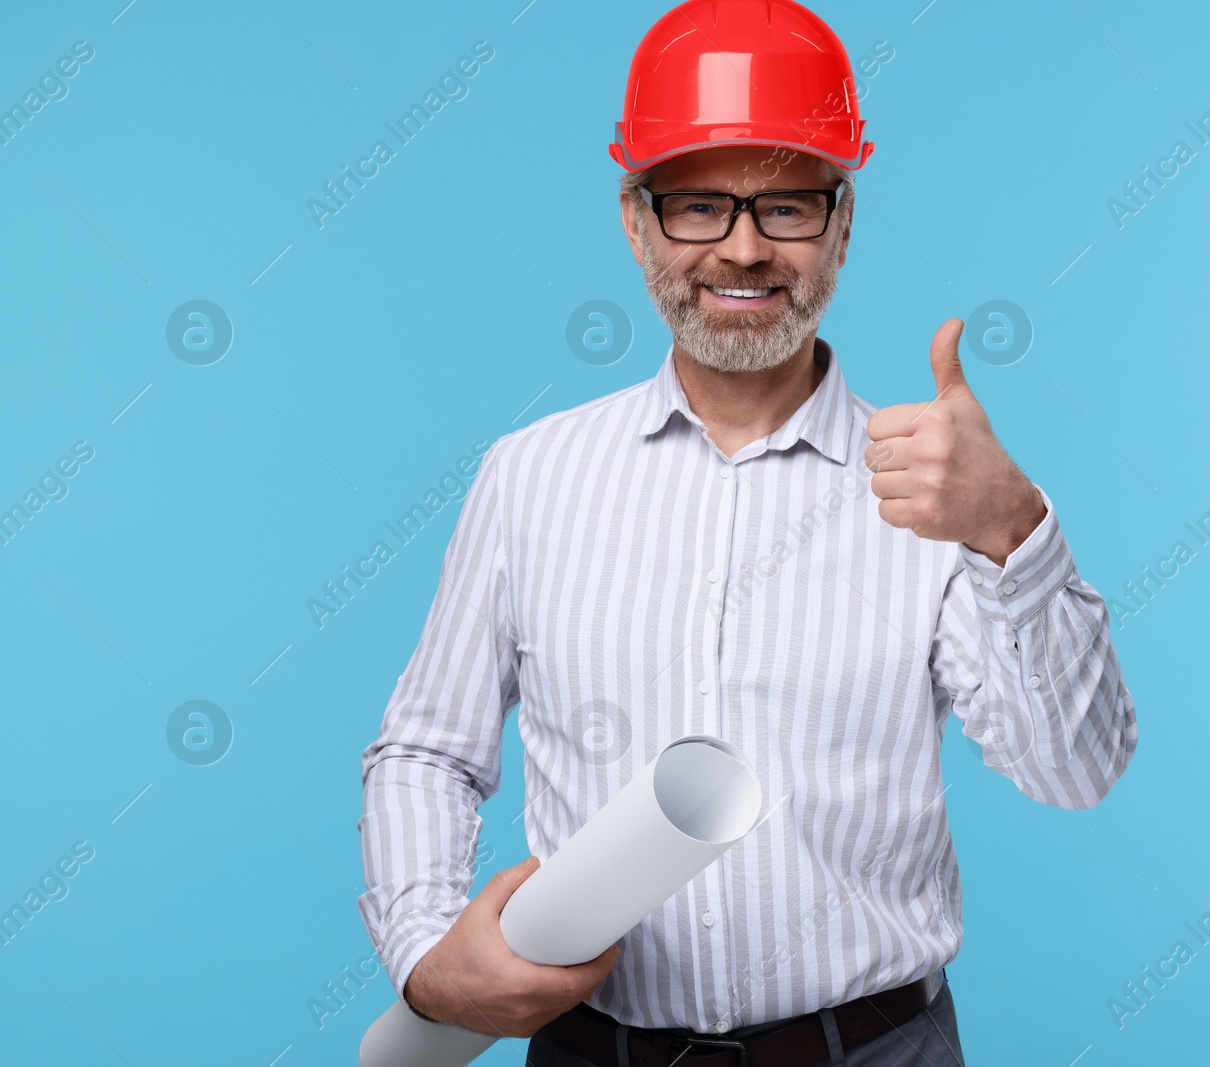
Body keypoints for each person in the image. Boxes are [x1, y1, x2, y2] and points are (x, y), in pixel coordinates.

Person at [356, 2, 1138, 1064]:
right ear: (636, 223)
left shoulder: (941, 488)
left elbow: (1074, 771)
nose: (741, 247)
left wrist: (1015, 530)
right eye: (696, 206)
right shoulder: (529, 476)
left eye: (787, 208)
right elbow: (426, 750)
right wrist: (425, 951)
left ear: (842, 225)